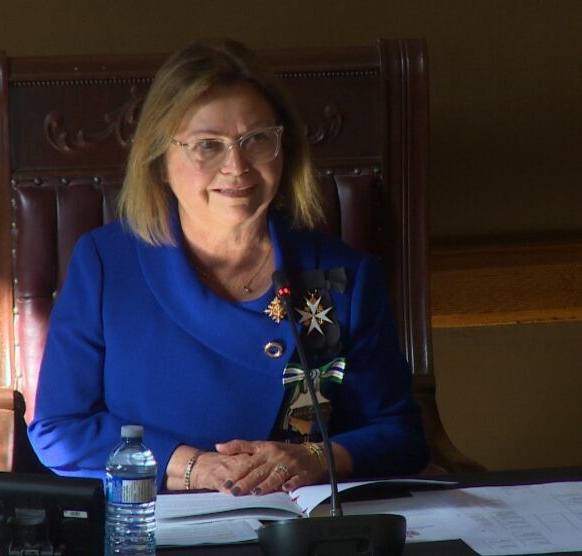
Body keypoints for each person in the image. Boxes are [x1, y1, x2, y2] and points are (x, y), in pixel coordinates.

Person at [28, 38, 429, 496]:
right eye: (207, 146)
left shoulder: (337, 278)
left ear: (284, 150)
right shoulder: (105, 265)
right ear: (160, 162)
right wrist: (192, 466)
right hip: (155, 525)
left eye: (256, 139)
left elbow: (400, 434)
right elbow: (59, 430)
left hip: (295, 528)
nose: (236, 166)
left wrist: (316, 458)